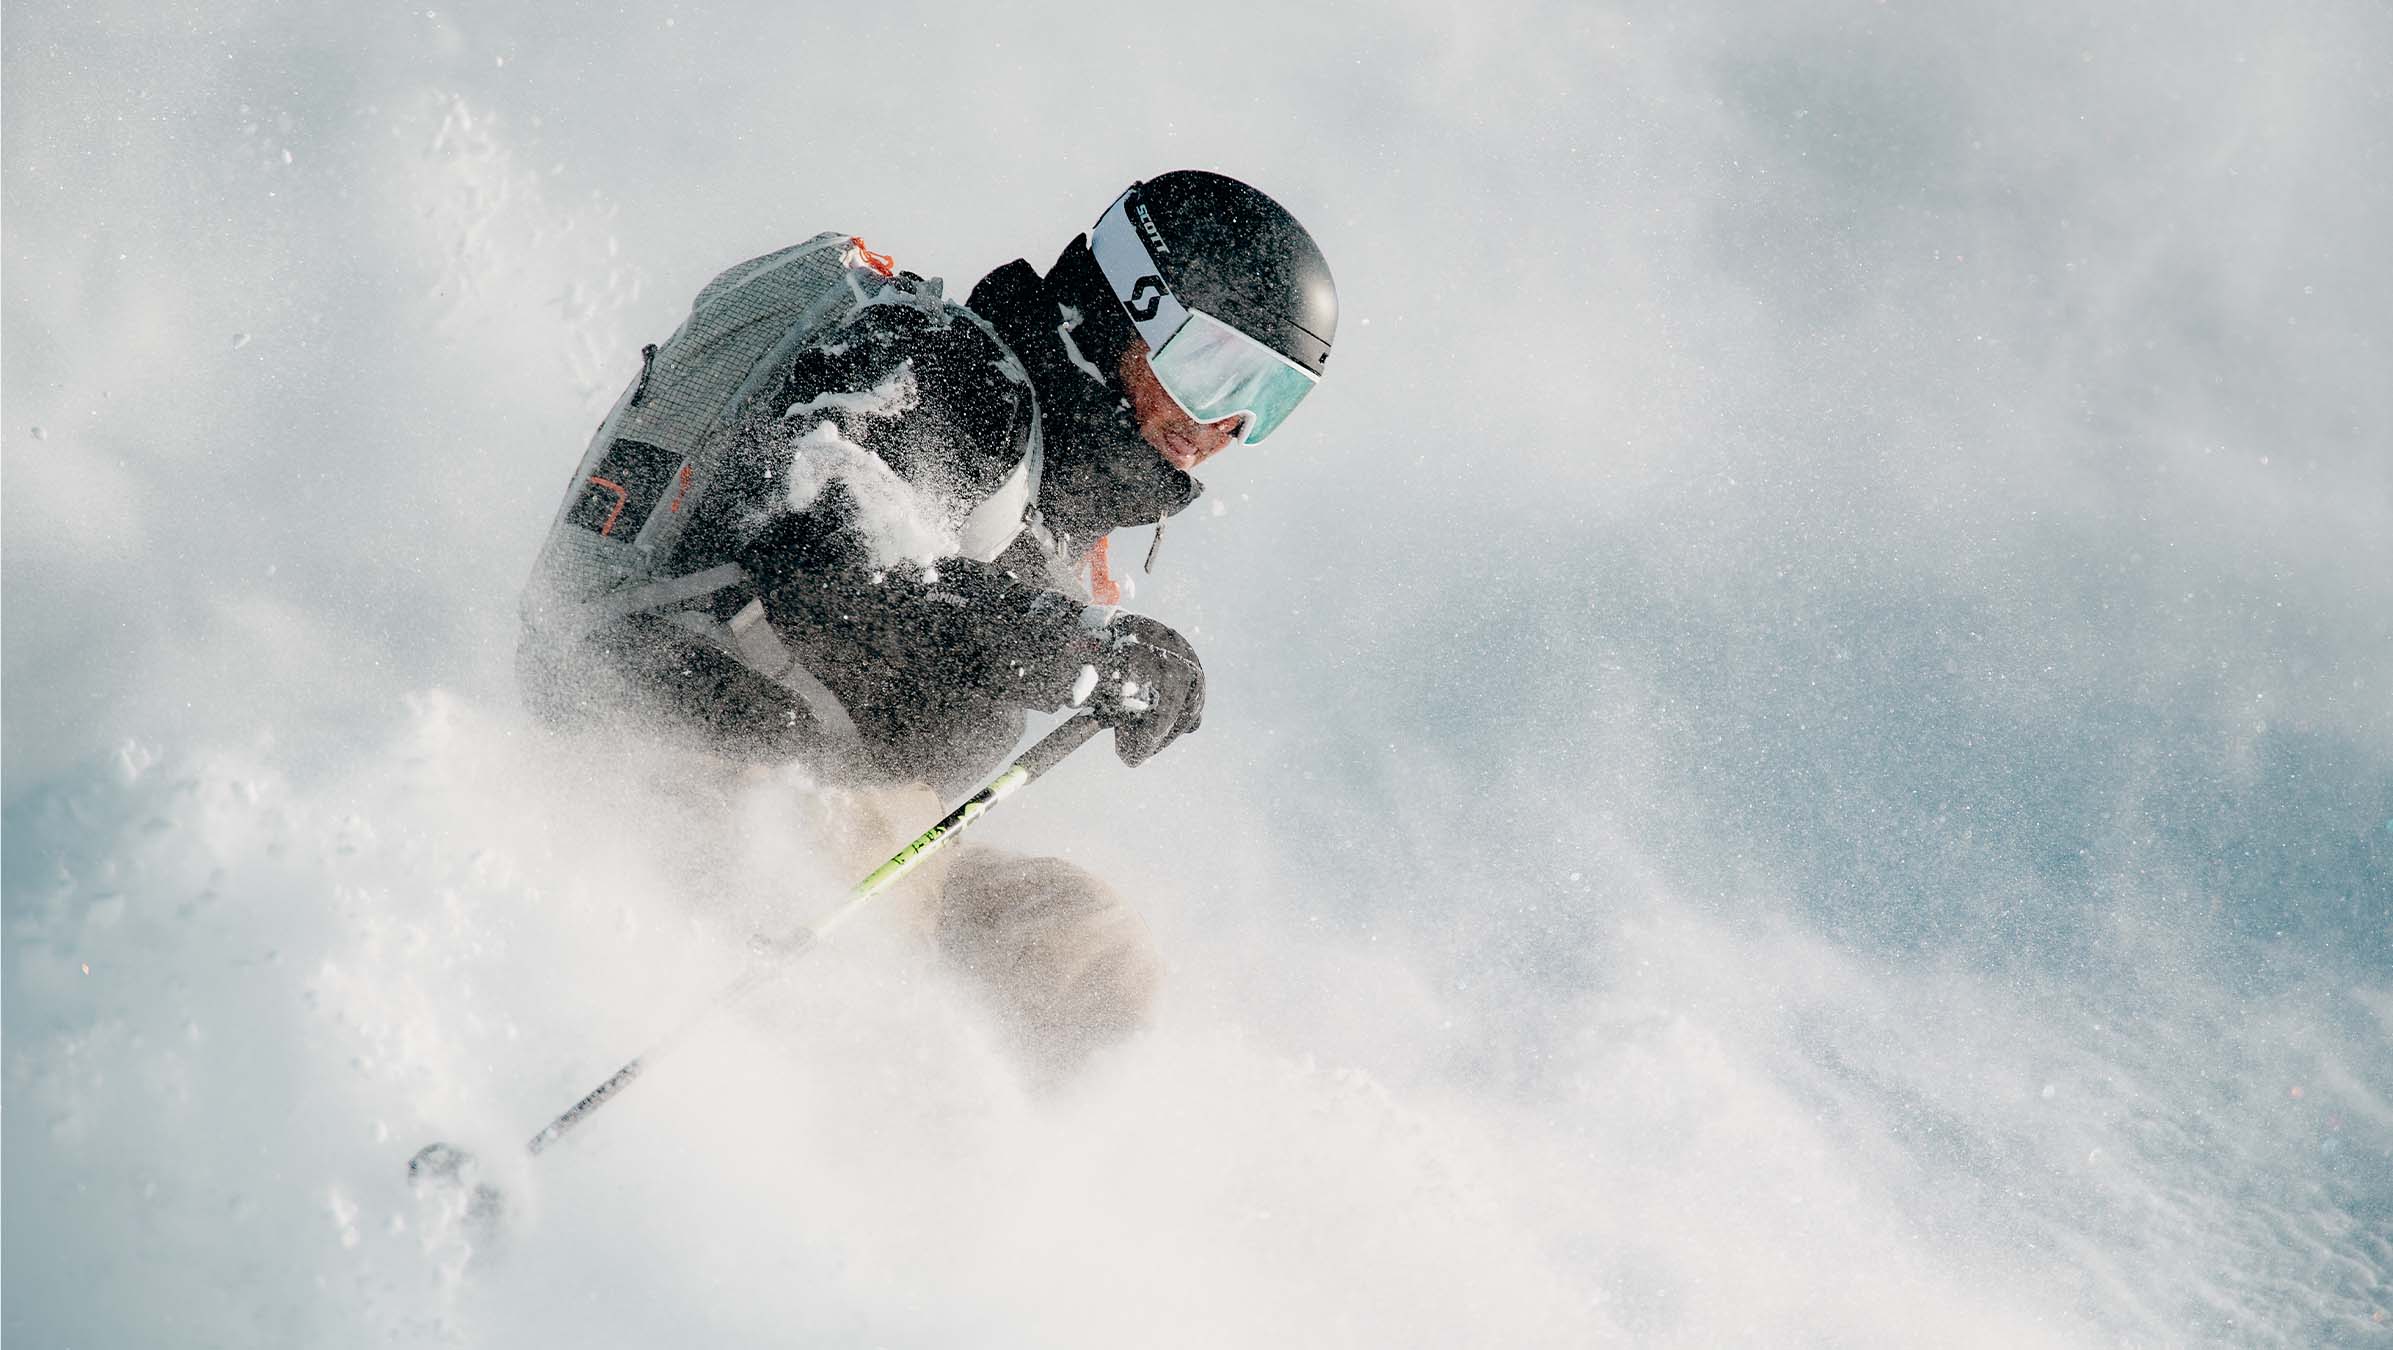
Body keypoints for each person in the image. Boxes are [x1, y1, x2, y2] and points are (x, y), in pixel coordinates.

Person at [516, 170, 1337, 1078]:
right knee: (870, 928)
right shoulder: (943, 371)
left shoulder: (1057, 519)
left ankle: (1046, 1164)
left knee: (1082, 947)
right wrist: (1071, 648)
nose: (1227, 423)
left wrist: (1070, 637)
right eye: (1218, 371)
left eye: (1271, 401)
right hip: (680, 763)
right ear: (1125, 306)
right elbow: (830, 574)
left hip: (838, 820)